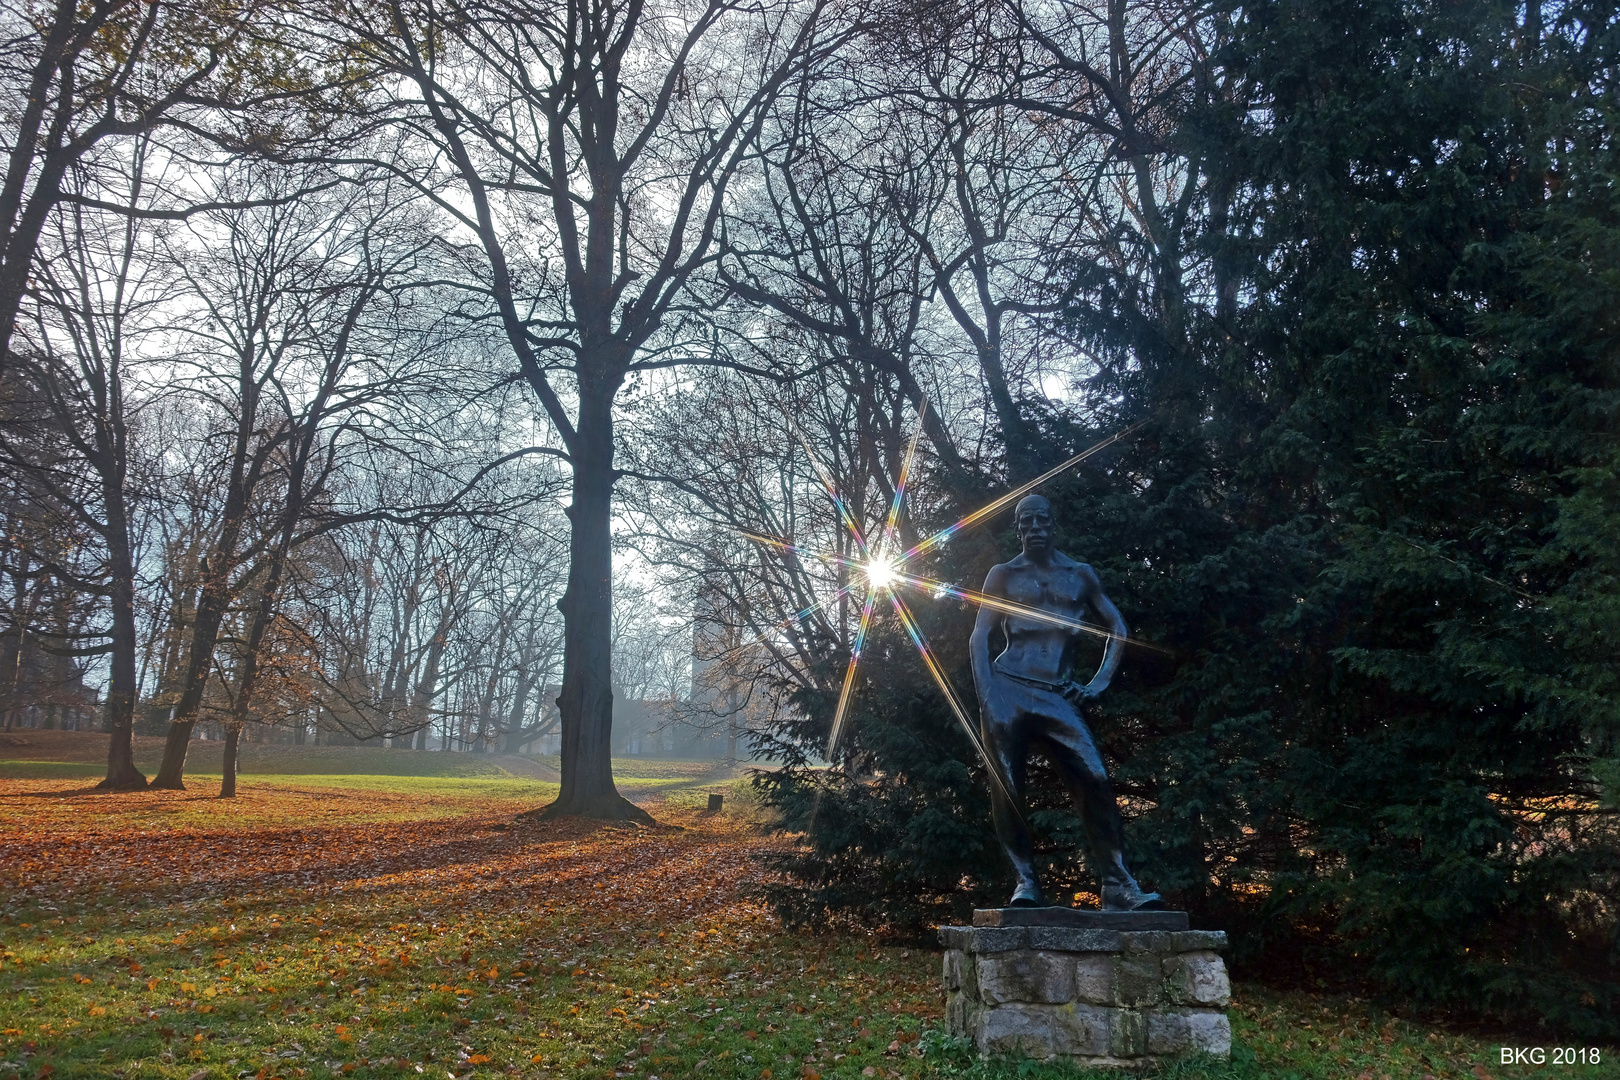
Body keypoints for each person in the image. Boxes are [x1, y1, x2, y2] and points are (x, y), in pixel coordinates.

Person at [968, 494, 1161, 910]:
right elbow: (980, 635)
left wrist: (1097, 685)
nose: (1034, 528)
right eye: (1026, 522)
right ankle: (1025, 882)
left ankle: (1117, 884)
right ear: (1017, 529)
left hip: (1058, 693)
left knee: (1095, 778)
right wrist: (989, 698)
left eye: (1041, 520)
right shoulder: (1002, 575)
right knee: (1008, 786)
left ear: (1054, 524)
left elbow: (1117, 628)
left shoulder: (1080, 575)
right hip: (1007, 687)